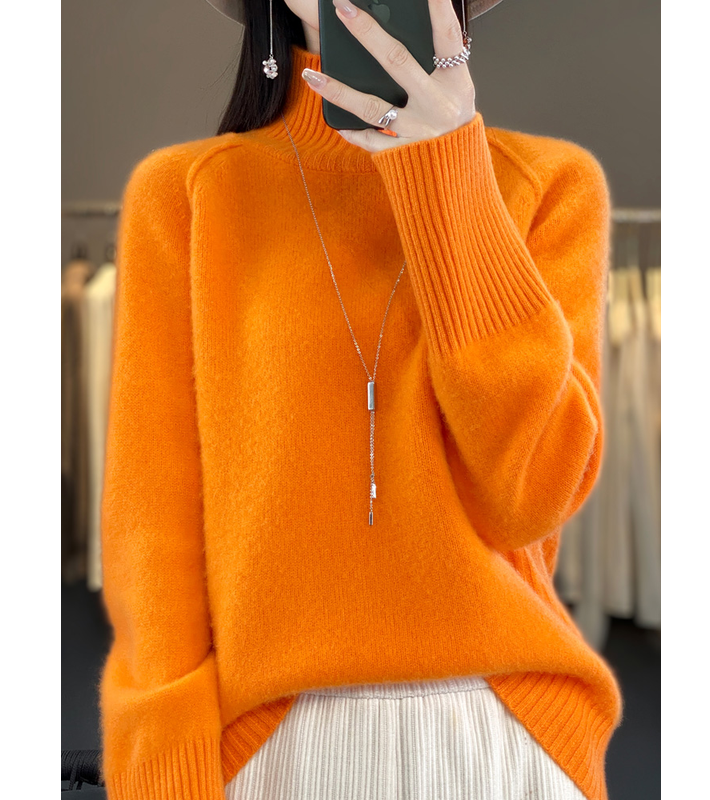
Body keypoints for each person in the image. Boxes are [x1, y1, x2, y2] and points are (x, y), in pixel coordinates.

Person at [97, 1, 623, 799]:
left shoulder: (548, 185)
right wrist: (159, 769)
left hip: (501, 730)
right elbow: (151, 529)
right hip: (264, 745)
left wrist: (448, 172)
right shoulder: (187, 194)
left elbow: (532, 497)